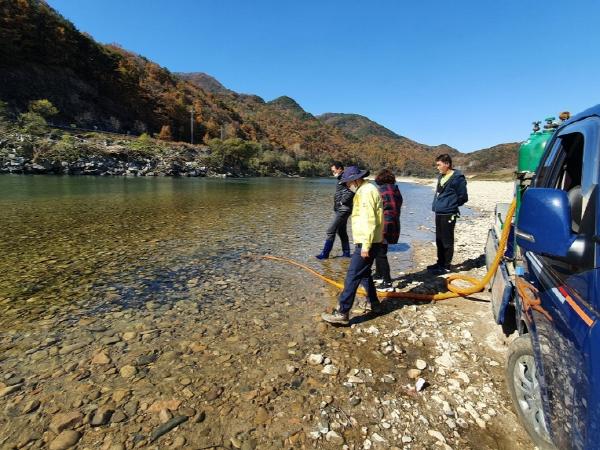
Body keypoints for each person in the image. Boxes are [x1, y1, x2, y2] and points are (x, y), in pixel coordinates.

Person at [321, 166, 384, 325]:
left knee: (352, 275)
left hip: (367, 242)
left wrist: (365, 246)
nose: (348, 186)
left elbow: (370, 220)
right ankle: (374, 304)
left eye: (348, 183)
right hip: (371, 240)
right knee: (365, 274)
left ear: (356, 180)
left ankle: (342, 312)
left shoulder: (366, 192)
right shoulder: (365, 189)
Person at [429, 154, 468, 274]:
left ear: (447, 164)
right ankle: (440, 263)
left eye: (439, 165)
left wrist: (451, 205)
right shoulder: (441, 176)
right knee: (439, 239)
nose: (437, 167)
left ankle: (446, 266)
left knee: (447, 240)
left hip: (449, 213)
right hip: (439, 212)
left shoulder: (458, 178)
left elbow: (463, 197)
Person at [315, 161, 354, 259]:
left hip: (343, 209)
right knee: (341, 231)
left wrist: (342, 202)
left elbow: (352, 190)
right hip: (342, 209)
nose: (333, 173)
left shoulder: (345, 177)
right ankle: (346, 253)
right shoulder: (342, 178)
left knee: (330, 231)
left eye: (334, 171)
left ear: (340, 169)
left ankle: (325, 254)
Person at [373, 169, 403, 291]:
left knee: (380, 252)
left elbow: (384, 208)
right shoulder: (396, 190)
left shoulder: (383, 190)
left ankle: (387, 282)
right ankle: (378, 274)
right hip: (394, 223)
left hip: (385, 224)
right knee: (380, 249)